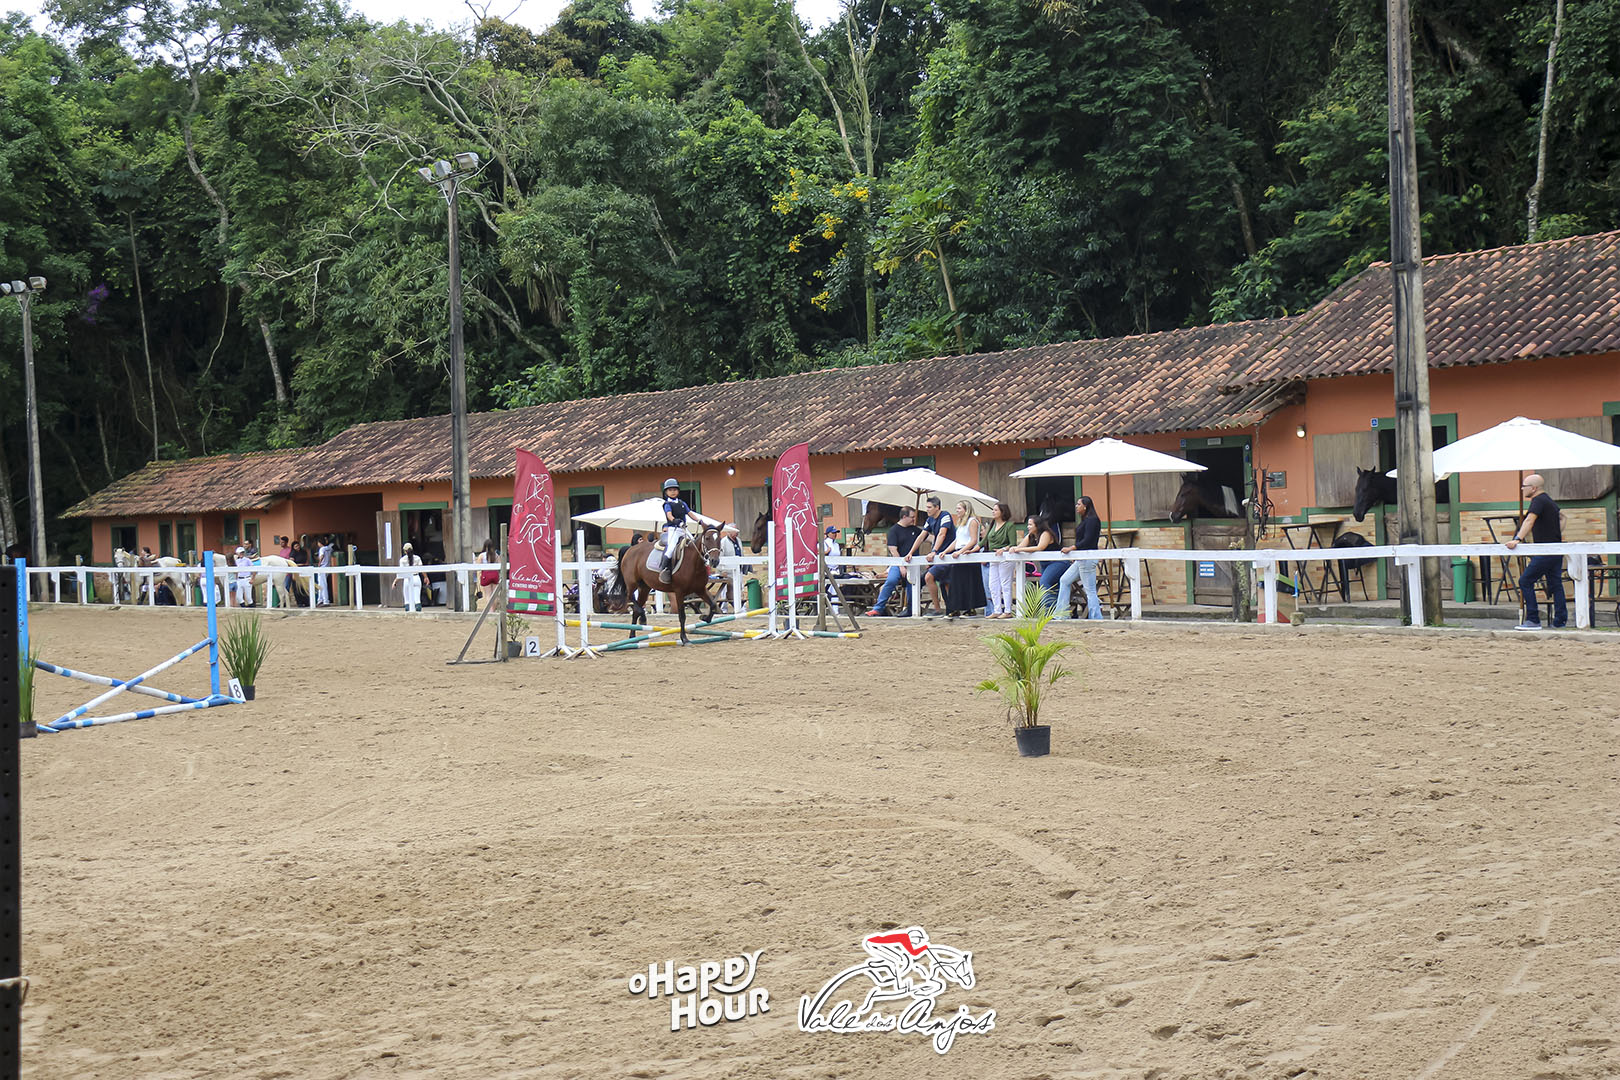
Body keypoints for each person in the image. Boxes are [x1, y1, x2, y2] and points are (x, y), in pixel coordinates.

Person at [1506, 473, 1567, 630]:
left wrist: (1517, 539)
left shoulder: (1538, 501)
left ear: (1533, 488)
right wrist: (1555, 535)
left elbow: (1529, 520)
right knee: (1556, 584)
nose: (1522, 489)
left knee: (1525, 581)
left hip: (1545, 550)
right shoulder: (1549, 501)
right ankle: (1560, 621)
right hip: (1555, 549)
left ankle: (1533, 619)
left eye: (1524, 486)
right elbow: (1563, 518)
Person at [1053, 495, 1104, 620]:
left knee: (1090, 590)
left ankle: (1096, 618)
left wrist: (1072, 548)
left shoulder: (1092, 520)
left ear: (1085, 506)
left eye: (1078, 504)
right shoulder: (1086, 520)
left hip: (1087, 558)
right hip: (1081, 558)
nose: (1076, 506)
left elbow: (1088, 540)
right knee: (1064, 580)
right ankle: (1061, 614)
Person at [865, 506, 921, 616]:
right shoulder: (894, 530)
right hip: (898, 563)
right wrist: (901, 566)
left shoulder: (915, 530)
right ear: (904, 517)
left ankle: (911, 609)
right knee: (891, 581)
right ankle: (878, 608)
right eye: (912, 517)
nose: (914, 519)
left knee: (912, 585)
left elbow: (929, 537)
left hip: (913, 564)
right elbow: (893, 549)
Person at [934, 501, 986, 617]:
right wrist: (946, 551)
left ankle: (970, 608)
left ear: (966, 509)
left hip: (968, 554)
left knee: (968, 583)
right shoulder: (961, 524)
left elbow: (973, 540)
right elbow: (957, 540)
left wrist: (961, 552)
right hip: (959, 553)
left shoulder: (972, 521)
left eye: (959, 508)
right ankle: (955, 608)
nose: (957, 511)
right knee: (956, 583)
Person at [913, 497, 956, 615]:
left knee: (930, 577)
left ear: (937, 507)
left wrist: (934, 551)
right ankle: (949, 610)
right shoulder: (929, 519)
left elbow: (942, 534)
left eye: (929, 507)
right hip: (939, 556)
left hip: (947, 555)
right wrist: (910, 552)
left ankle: (938, 609)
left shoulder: (945, 515)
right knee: (942, 582)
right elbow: (921, 536)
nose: (927, 510)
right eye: (926, 507)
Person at [1009, 514, 1060, 606]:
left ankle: (1048, 610)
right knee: (1050, 585)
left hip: (1057, 562)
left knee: (1045, 582)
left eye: (1030, 525)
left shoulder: (1046, 533)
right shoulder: (1031, 536)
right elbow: (1020, 546)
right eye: (1028, 525)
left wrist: (1019, 550)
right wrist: (1013, 548)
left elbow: (1040, 547)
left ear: (1037, 525)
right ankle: (1051, 609)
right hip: (1045, 564)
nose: (1028, 527)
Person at [983, 502, 1021, 619]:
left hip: (1005, 558)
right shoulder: (992, 525)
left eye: (996, 510)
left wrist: (1003, 549)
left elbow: (1013, 544)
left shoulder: (1009, 526)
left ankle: (1008, 610)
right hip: (993, 557)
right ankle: (997, 609)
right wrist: (971, 549)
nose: (993, 512)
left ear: (1002, 512)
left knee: (1005, 584)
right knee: (992, 584)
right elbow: (983, 541)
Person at [658, 478, 690, 583]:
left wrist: (700, 521)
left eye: (675, 489)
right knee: (671, 548)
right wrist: (675, 520)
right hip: (673, 529)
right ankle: (664, 569)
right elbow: (669, 515)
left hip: (683, 529)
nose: (673, 492)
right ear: (666, 492)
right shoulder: (667, 504)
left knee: (695, 543)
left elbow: (690, 513)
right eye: (670, 490)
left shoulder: (682, 503)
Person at [399, 542, 425, 612]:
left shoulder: (402, 560)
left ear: (404, 551)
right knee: (417, 599)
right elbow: (422, 569)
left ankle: (408, 613)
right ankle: (418, 613)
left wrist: (395, 581)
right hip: (416, 578)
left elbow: (401, 572)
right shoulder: (417, 558)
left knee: (407, 599)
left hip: (407, 579)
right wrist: (426, 577)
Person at [316, 534, 334, 606]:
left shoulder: (322, 549)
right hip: (327, 567)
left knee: (322, 584)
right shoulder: (329, 548)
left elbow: (321, 556)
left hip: (322, 567)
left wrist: (319, 563)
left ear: (320, 543)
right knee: (321, 584)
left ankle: (325, 600)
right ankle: (320, 600)